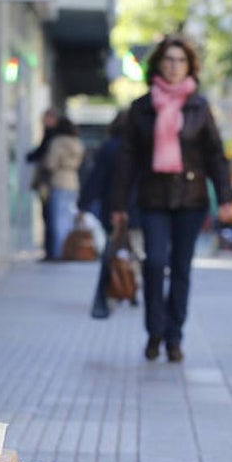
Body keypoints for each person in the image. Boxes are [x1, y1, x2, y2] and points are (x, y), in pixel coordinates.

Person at [112, 34, 232, 363]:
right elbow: (126, 159)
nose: (174, 66)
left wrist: (224, 196)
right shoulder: (141, 107)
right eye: (168, 60)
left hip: (191, 199)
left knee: (181, 267)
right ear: (158, 65)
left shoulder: (199, 106)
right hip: (153, 197)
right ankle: (154, 330)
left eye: (181, 61)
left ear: (189, 66)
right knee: (153, 263)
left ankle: (174, 336)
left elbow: (214, 154)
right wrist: (118, 204)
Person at [79, 110, 141, 318]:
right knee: (136, 250)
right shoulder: (142, 147)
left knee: (112, 250)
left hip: (113, 209)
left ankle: (115, 288)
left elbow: (96, 178)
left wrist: (83, 203)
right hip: (139, 209)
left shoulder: (109, 148)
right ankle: (131, 285)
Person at [43, 116, 85, 260]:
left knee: (58, 220)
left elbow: (50, 163)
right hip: (73, 182)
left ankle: (59, 252)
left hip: (59, 181)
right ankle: (69, 250)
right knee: (68, 219)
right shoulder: (77, 143)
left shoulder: (58, 142)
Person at [26, 108, 59, 259]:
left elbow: (44, 156)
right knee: (48, 216)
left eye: (46, 119)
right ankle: (50, 250)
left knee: (50, 216)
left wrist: (31, 156)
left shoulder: (53, 137)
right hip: (48, 182)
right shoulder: (49, 135)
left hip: (49, 182)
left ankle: (52, 251)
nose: (43, 122)